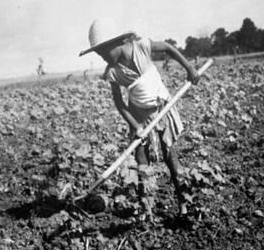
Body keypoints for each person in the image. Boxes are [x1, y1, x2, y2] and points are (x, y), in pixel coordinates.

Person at [79, 20, 200, 217]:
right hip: (138, 116)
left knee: (170, 156)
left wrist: (189, 68)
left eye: (103, 52)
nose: (102, 57)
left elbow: (168, 48)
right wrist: (136, 127)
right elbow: (120, 104)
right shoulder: (112, 72)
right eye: (98, 54)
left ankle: (184, 203)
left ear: (117, 43)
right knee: (142, 160)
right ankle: (147, 209)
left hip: (162, 107)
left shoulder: (142, 47)